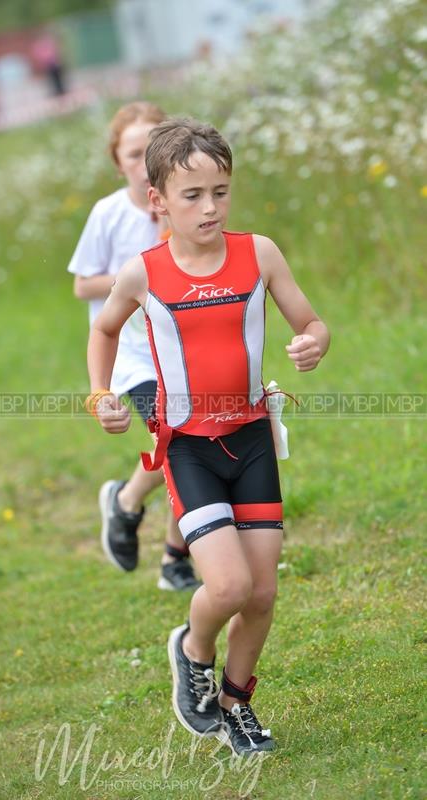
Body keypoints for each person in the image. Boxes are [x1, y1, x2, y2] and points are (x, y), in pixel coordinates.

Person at [86, 118, 330, 755]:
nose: (210, 207)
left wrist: (312, 343)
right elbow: (104, 329)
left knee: (264, 593)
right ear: (156, 200)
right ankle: (192, 650)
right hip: (189, 446)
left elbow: (310, 320)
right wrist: (101, 393)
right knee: (227, 588)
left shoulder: (261, 253)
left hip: (251, 439)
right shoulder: (143, 272)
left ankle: (235, 703)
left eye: (220, 191)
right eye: (192, 195)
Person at [68, 103, 201, 592]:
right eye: (132, 153)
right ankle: (132, 510)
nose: (143, 161)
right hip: (132, 355)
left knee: (195, 442)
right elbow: (83, 285)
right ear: (117, 160)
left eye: (153, 150)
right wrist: (134, 278)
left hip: (184, 348)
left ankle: (169, 553)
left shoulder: (185, 202)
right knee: (180, 441)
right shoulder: (109, 213)